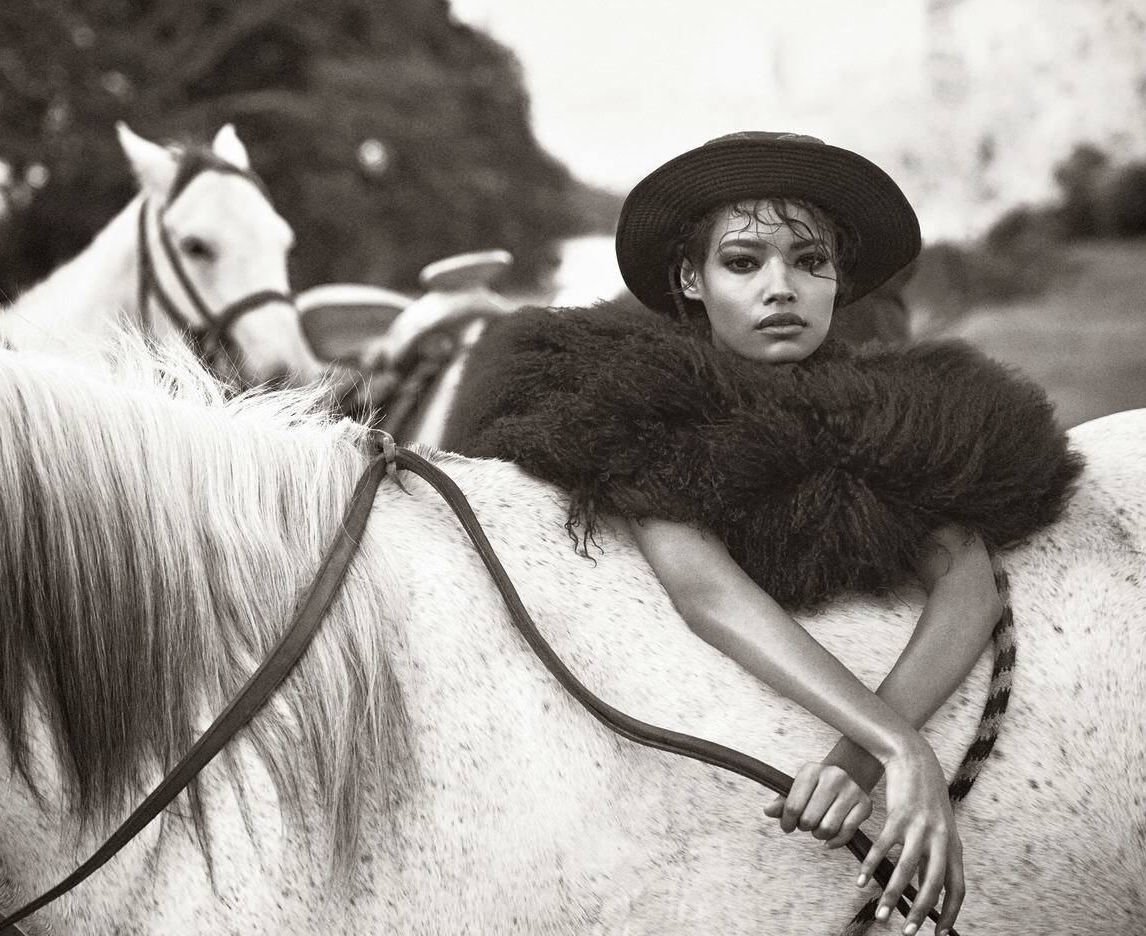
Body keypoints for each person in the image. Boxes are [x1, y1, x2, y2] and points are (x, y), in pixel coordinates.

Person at [442, 131, 1083, 935]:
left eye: (810, 262)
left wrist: (861, 759)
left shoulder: (895, 410)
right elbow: (704, 588)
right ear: (693, 279)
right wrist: (901, 748)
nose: (782, 288)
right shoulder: (642, 400)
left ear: (838, 277)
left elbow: (968, 579)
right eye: (743, 263)